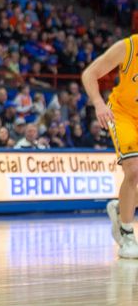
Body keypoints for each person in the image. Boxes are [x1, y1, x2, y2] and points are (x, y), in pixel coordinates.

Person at [81, 34, 138, 258]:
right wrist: (98, 103)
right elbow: (89, 74)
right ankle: (126, 233)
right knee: (133, 169)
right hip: (122, 114)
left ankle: (120, 206)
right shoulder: (129, 46)